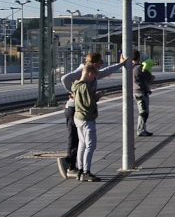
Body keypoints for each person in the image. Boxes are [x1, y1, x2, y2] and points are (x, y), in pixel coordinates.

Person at [58, 51, 126, 179]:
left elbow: (106, 71)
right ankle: (71, 164)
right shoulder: (83, 72)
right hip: (75, 109)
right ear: (94, 64)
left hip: (80, 110)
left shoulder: (93, 72)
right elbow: (65, 78)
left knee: (81, 141)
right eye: (101, 62)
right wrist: (74, 93)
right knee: (77, 139)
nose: (102, 65)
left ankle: (78, 168)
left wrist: (120, 64)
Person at [71, 64, 102, 182]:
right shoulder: (85, 87)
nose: (94, 80)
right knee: (90, 145)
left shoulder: (75, 85)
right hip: (87, 118)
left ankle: (80, 170)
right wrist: (98, 95)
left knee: (82, 144)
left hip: (78, 117)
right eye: (94, 77)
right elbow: (90, 102)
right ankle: (86, 172)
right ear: (90, 74)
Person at [132, 51, 155, 137]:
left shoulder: (129, 67)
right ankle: (140, 130)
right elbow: (150, 78)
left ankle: (142, 129)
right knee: (144, 112)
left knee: (143, 111)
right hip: (141, 91)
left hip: (134, 91)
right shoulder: (139, 68)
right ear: (138, 58)